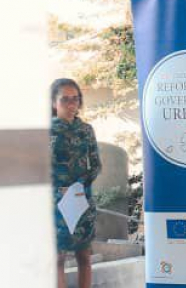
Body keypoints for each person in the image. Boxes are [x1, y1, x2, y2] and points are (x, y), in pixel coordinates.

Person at [51, 78, 100, 288]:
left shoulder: (86, 130)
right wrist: (59, 189)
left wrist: (79, 186)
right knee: (57, 259)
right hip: (55, 204)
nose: (71, 105)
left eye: (75, 99)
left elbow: (96, 165)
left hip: (81, 201)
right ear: (53, 103)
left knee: (84, 256)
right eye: (65, 100)